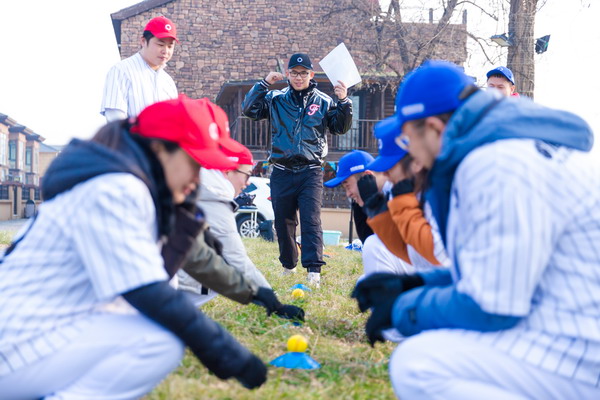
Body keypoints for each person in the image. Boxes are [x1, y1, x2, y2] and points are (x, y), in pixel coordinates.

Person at [353, 60, 599, 399]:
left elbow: (492, 306)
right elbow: (487, 270)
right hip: (566, 321)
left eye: (409, 139)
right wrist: (415, 283)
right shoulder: (500, 149)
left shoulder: (495, 163)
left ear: (436, 129)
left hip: (580, 349)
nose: (409, 151)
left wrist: (404, 309)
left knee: (418, 363)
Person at [0, 95, 267, 399]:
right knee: (158, 339)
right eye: (193, 163)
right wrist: (225, 351)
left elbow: (182, 266)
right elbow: (147, 291)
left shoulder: (129, 186)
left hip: (34, 335)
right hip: (14, 341)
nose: (197, 178)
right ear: (158, 149)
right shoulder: (118, 188)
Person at [242, 53, 353, 288]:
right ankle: (288, 266)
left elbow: (340, 128)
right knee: (283, 222)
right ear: (288, 75)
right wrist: (263, 84)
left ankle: (314, 271)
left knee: (311, 220)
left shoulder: (324, 100)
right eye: (294, 73)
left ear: (311, 75)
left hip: (311, 170)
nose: (299, 77)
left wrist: (344, 102)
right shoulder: (275, 98)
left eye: (304, 73)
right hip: (281, 169)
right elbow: (250, 110)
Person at [177, 137, 304, 322]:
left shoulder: (200, 189)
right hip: (172, 286)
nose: (246, 183)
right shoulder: (214, 199)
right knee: (221, 270)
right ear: (228, 170)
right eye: (246, 175)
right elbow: (237, 260)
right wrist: (274, 303)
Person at [357, 114, 449, 271]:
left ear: (416, 162)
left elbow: (438, 257)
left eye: (390, 166)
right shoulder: (404, 188)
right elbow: (412, 254)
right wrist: (380, 217)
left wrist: (404, 204)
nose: (385, 173)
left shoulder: (442, 188)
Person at [324, 150, 412, 277]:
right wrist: (361, 204)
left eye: (347, 185)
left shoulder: (399, 189)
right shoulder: (376, 195)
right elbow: (367, 237)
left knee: (373, 246)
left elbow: (397, 243)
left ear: (367, 176)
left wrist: (372, 203)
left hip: (429, 268)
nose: (347, 193)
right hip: (412, 265)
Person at [101, 16, 179, 121]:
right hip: (131, 137)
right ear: (143, 41)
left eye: (170, 46)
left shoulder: (168, 82)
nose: (165, 51)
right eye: (160, 44)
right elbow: (115, 119)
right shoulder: (121, 71)